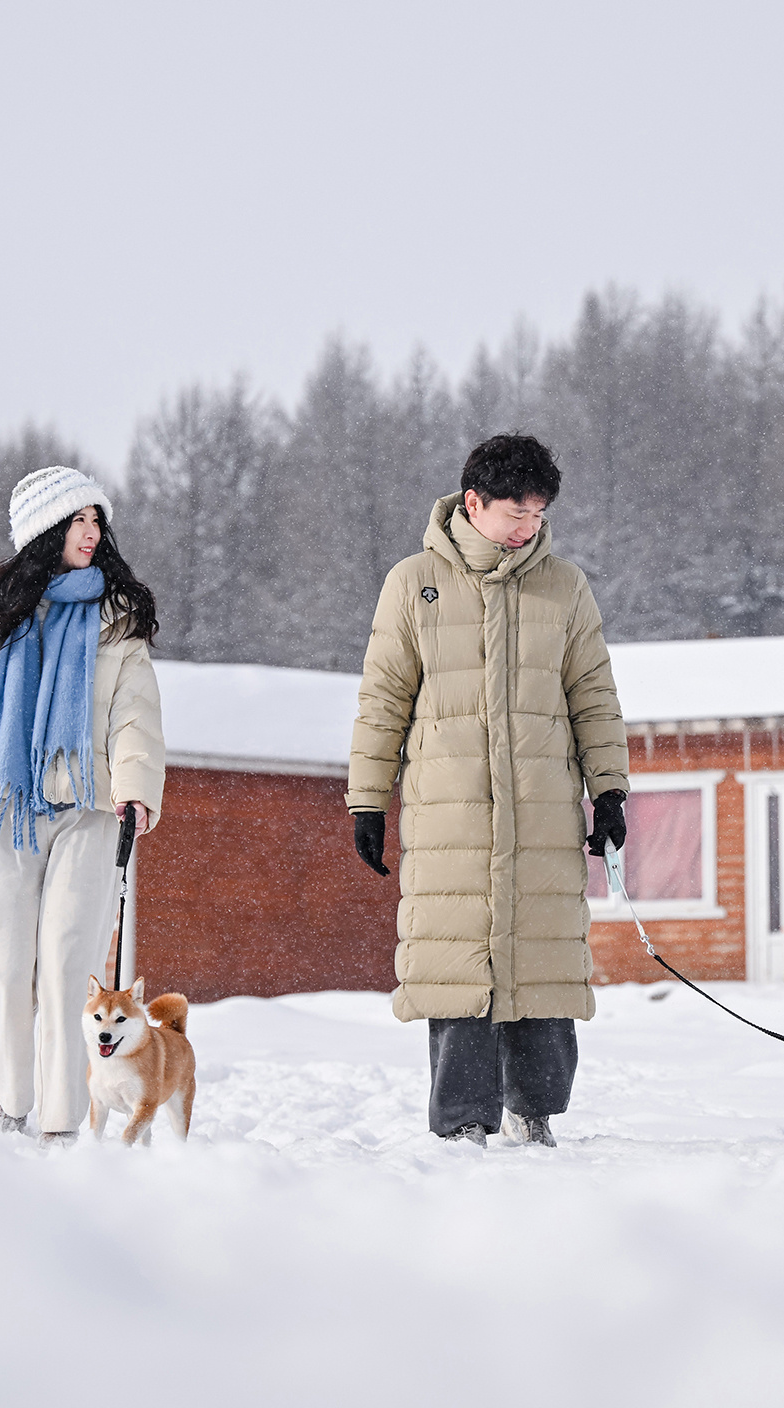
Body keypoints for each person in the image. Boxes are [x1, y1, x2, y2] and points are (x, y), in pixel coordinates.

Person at [346, 433, 629, 1147]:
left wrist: (611, 790)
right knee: (456, 961)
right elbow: (383, 698)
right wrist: (368, 799)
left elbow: (593, 694)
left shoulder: (564, 586)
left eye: (537, 514)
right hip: (451, 812)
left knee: (543, 960)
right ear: (472, 503)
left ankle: (535, 1114)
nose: (527, 527)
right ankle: (465, 1122)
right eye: (514, 512)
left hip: (540, 807)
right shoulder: (414, 583)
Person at [0, 466, 165, 1146]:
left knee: (64, 965)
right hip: (2, 806)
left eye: (96, 522)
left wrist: (137, 787)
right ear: (43, 532)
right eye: (78, 521)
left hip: (87, 806)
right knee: (1, 966)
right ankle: (10, 1097)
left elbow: (134, 713)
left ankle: (59, 1122)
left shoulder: (117, 616)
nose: (91, 533)